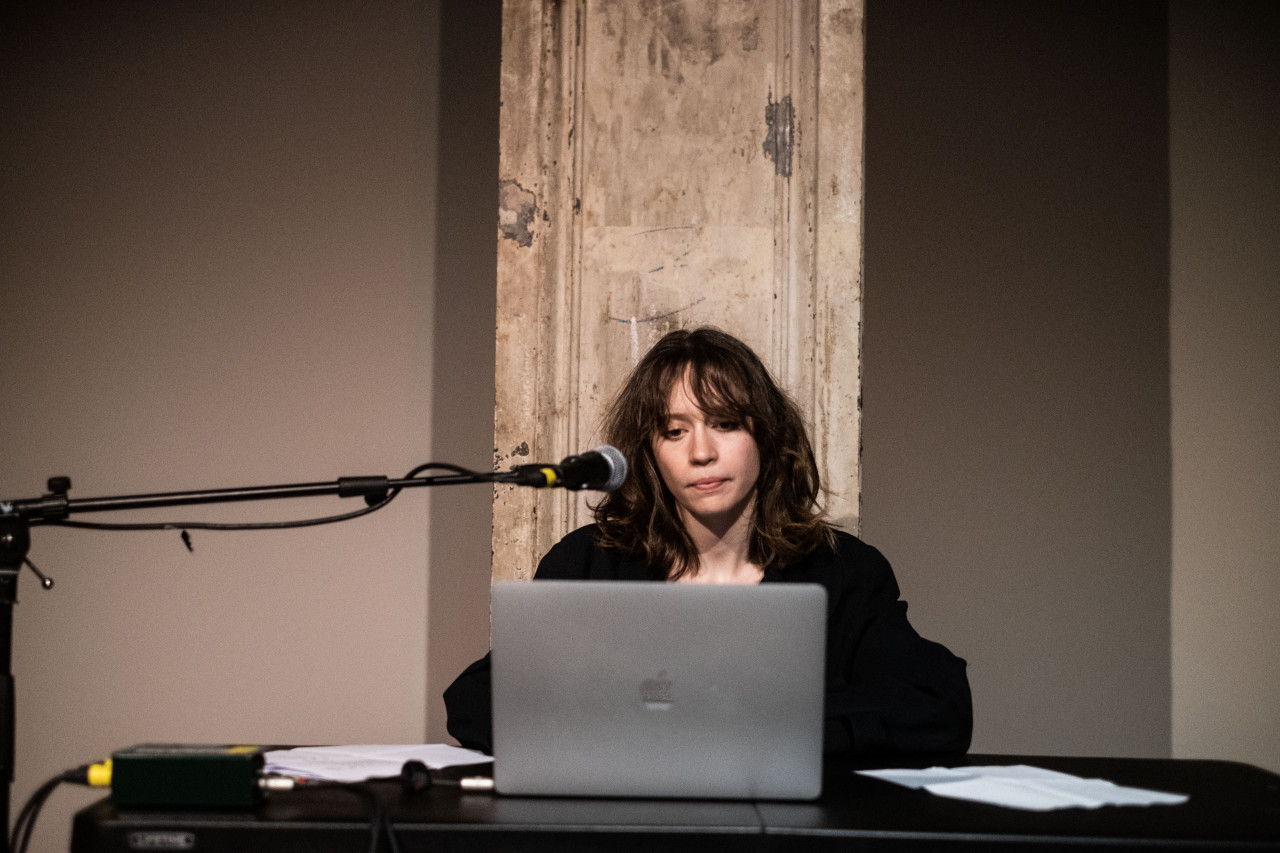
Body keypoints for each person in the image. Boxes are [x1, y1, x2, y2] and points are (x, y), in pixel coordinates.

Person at [445, 327, 972, 756]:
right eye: (674, 431)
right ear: (649, 452)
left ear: (766, 435)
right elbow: (476, 698)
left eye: (724, 423)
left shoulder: (843, 571)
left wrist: (767, 727)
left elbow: (937, 706)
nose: (701, 452)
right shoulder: (588, 562)